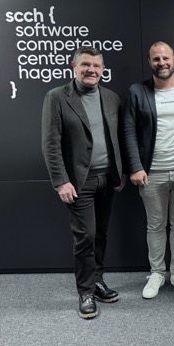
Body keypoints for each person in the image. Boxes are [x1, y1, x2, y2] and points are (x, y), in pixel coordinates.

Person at [41, 46, 124, 319]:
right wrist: (61, 182)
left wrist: (120, 172)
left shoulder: (111, 97)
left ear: (103, 69)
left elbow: (118, 138)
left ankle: (97, 281)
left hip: (107, 178)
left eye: (97, 66)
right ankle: (85, 292)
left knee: (100, 234)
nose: (92, 70)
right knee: (85, 237)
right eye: (86, 65)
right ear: (74, 66)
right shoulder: (57, 97)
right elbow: (50, 144)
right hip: (79, 182)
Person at [122, 41, 174, 300]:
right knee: (155, 225)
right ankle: (157, 272)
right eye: (156, 59)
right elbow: (128, 131)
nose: (161, 63)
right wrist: (135, 167)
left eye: (165, 58)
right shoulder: (137, 91)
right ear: (150, 62)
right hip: (151, 173)